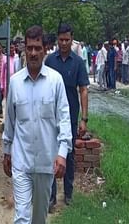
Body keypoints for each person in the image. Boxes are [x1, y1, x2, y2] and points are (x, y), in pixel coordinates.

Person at [2, 25, 72, 224]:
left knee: (39, 217)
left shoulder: (55, 81)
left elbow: (64, 119)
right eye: (30, 48)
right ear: (25, 48)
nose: (33, 53)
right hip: (21, 162)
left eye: (37, 48)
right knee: (22, 217)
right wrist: (7, 151)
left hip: (46, 163)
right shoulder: (15, 83)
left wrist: (62, 153)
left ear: (45, 49)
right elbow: (10, 122)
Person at [45, 23, 89, 212]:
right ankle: (51, 196)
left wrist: (83, 119)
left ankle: (68, 194)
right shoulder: (49, 61)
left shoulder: (78, 63)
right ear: (57, 39)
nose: (64, 43)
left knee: (68, 155)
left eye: (67, 40)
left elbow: (84, 90)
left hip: (70, 117)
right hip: (50, 117)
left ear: (72, 39)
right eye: (61, 40)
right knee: (51, 154)